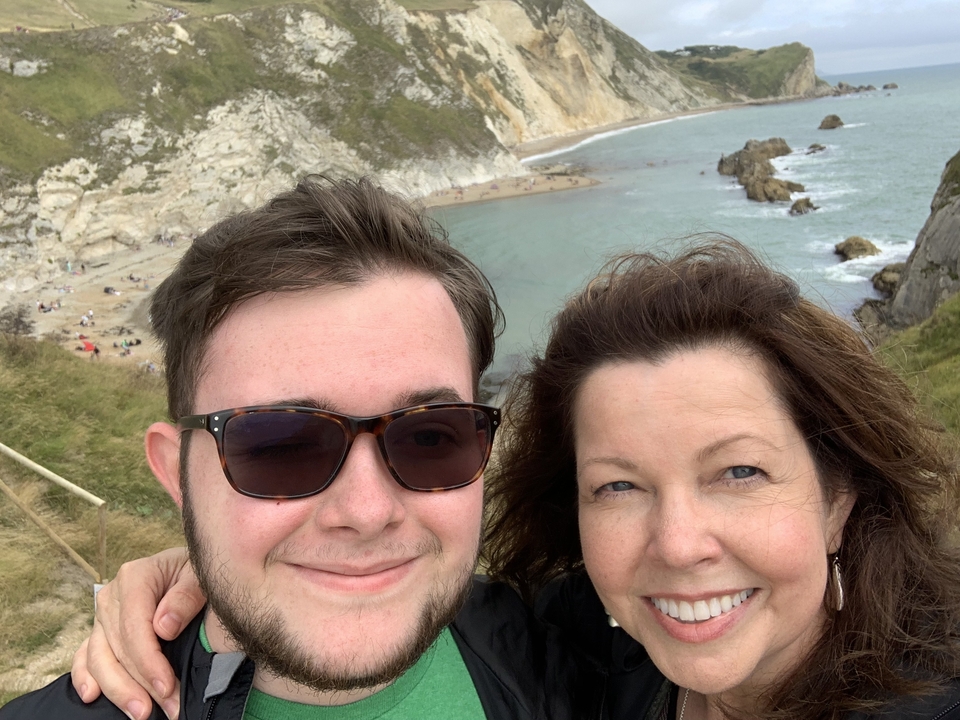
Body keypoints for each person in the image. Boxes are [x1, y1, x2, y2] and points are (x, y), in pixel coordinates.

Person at [72, 241, 960, 720]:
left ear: (840, 497)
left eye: (740, 471)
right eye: (276, 446)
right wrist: (214, 562)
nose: (680, 543)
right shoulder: (583, 648)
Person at [0, 176, 590, 720]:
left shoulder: (576, 659)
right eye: (281, 445)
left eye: (430, 436)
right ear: (177, 472)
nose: (366, 512)